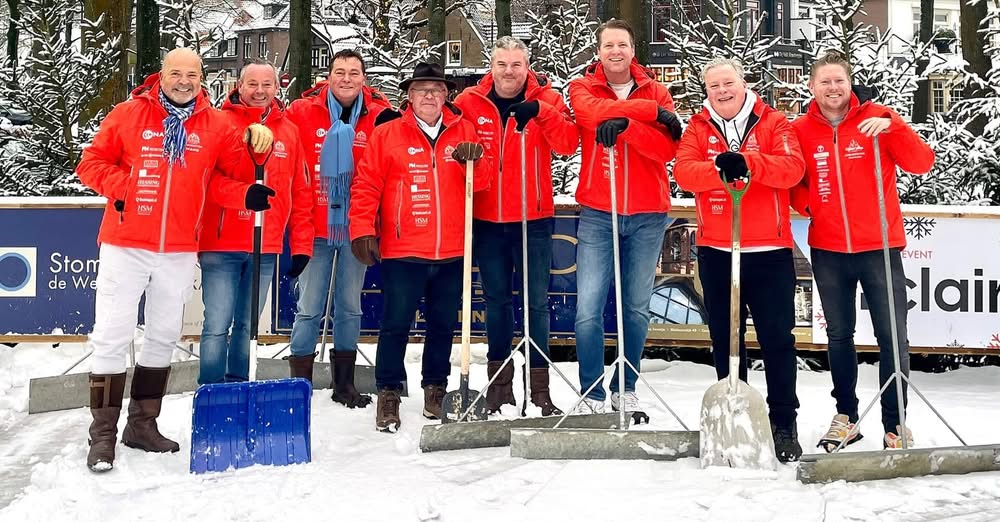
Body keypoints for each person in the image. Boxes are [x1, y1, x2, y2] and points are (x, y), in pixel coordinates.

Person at [75, 48, 274, 473]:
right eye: (175, 73)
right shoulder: (130, 114)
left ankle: (142, 425)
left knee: (164, 335)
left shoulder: (216, 125)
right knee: (112, 334)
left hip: (180, 248)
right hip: (126, 243)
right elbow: (90, 163)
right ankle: (103, 434)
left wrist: (246, 189)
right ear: (161, 75)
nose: (183, 81)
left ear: (202, 78)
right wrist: (123, 186)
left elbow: (222, 178)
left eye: (192, 74)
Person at [790, 50, 935, 451]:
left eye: (838, 80)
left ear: (849, 82)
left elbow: (922, 163)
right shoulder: (801, 129)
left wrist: (893, 126)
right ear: (812, 86)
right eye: (824, 82)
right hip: (829, 248)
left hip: (879, 247)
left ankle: (896, 423)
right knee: (839, 336)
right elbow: (793, 181)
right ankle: (847, 417)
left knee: (893, 335)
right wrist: (809, 206)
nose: (832, 88)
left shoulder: (878, 119)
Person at [673, 57, 806, 462]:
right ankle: (734, 418)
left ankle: (784, 422)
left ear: (743, 82)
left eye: (728, 83)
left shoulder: (773, 122)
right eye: (714, 86)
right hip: (717, 248)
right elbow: (683, 171)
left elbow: (793, 168)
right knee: (726, 340)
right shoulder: (698, 127)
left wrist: (749, 162)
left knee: (777, 340)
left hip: (768, 250)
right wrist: (719, 169)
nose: (722, 91)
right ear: (706, 90)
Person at [349, 62, 492, 432]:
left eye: (436, 89)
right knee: (395, 324)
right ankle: (389, 392)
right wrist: (362, 229)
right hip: (403, 248)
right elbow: (366, 185)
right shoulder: (388, 134)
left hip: (452, 250)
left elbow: (483, 182)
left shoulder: (464, 131)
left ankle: (436, 387)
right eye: (421, 89)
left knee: (443, 325)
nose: (429, 95)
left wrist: (471, 163)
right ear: (409, 96)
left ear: (446, 95)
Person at [452, 36, 578, 416]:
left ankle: (539, 389)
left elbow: (568, 143)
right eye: (502, 65)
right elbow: (446, 136)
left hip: (533, 219)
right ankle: (499, 386)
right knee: (496, 302)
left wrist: (540, 110)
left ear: (527, 67)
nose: (509, 72)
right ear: (492, 67)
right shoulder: (470, 102)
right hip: (488, 220)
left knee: (536, 305)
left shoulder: (548, 98)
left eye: (516, 65)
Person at [567, 19, 683, 413]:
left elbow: (665, 149)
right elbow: (588, 114)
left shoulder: (658, 88)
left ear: (633, 51)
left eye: (623, 44)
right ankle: (592, 391)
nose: (615, 51)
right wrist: (648, 112)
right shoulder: (582, 86)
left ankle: (625, 385)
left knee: (635, 306)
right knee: (589, 306)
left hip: (648, 214)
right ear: (598, 52)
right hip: (600, 211)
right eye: (608, 45)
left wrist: (628, 125)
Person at [285, 50, 394, 407]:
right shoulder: (303, 112)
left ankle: (344, 385)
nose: (346, 79)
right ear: (328, 76)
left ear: (364, 78)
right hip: (314, 226)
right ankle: (297, 384)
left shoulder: (379, 116)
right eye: (339, 72)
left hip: (356, 227)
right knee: (309, 307)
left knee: (350, 306)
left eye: (354, 73)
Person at [196, 59, 314, 385]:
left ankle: (237, 387)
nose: (260, 91)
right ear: (239, 85)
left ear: (277, 88)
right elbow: (206, 180)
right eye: (253, 84)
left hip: (266, 245)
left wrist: (301, 244)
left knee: (247, 326)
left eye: (267, 85)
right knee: (217, 325)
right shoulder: (220, 123)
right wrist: (242, 194)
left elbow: (300, 192)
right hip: (222, 243)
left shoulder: (288, 131)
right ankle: (210, 392)